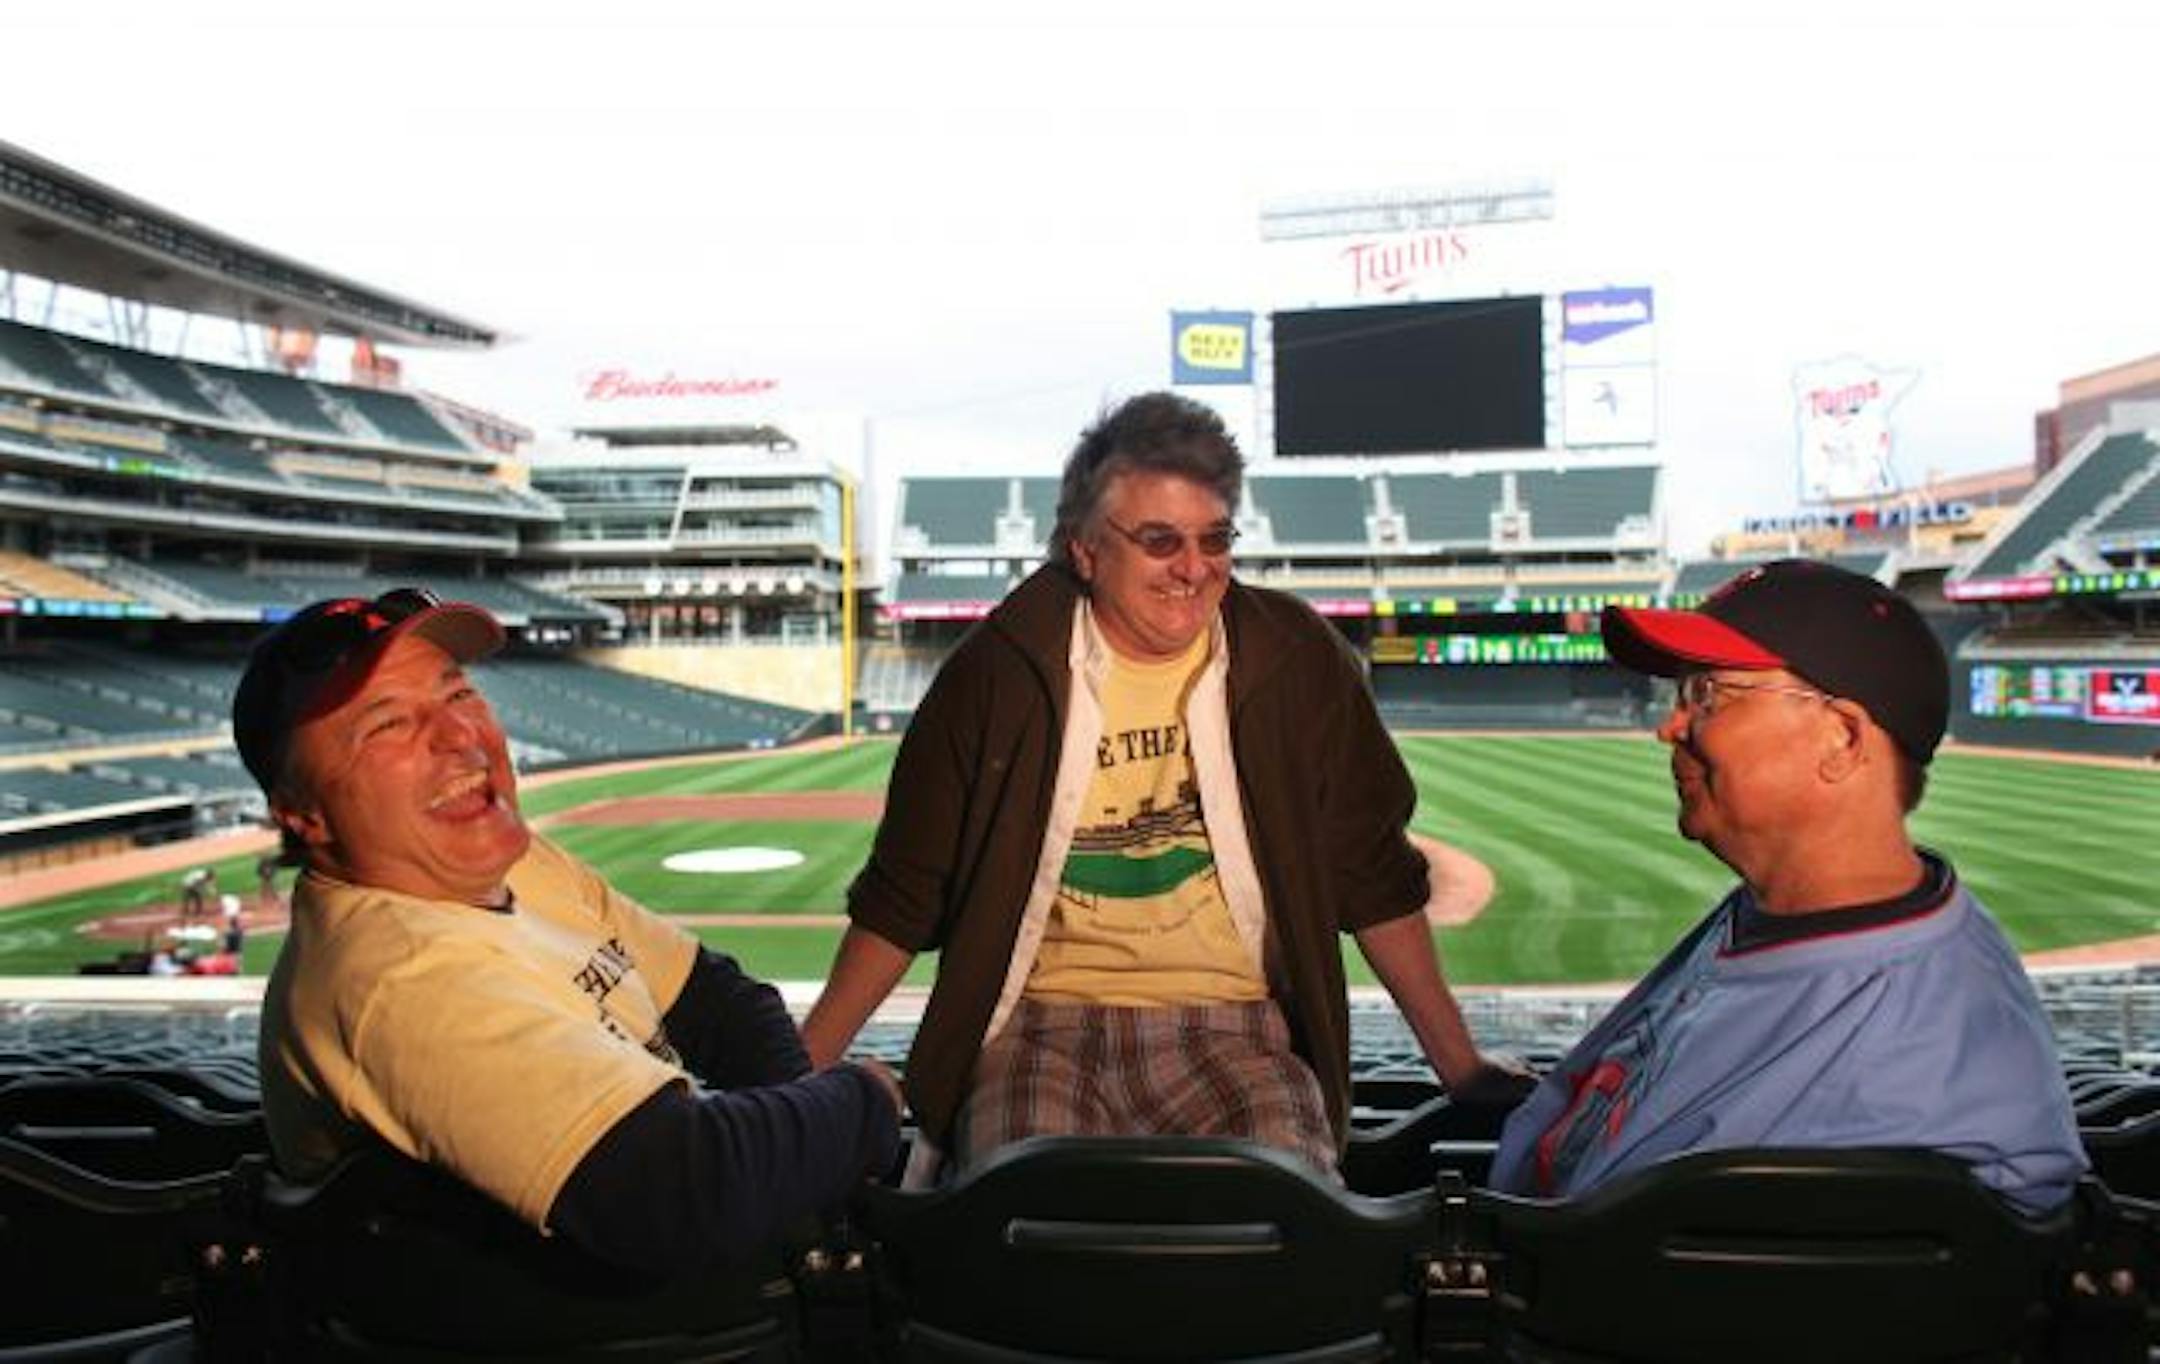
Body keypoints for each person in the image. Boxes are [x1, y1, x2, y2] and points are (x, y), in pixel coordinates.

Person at [803, 392, 1518, 1184]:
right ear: (1083, 550)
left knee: (1288, 1208)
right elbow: (906, 896)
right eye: (1159, 541)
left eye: (1215, 539)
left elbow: (1373, 875)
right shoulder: (994, 673)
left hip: (1241, 1027)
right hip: (1041, 1028)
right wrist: (799, 1069)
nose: (1194, 567)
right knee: (1026, 1207)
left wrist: (1460, 1066)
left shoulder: (1296, 660)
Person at [234, 588, 901, 1274]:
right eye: (387, 725)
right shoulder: (391, 977)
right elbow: (684, 1191)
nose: (460, 736)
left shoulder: (517, 862)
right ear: (302, 814)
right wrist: (863, 1101)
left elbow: (717, 999)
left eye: (457, 695)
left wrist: (807, 1156)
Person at [1488, 559, 2087, 1212]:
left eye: (1708, 695)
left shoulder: (1936, 1047)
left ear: (1842, 737)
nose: (1670, 726)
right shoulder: (1780, 912)